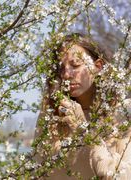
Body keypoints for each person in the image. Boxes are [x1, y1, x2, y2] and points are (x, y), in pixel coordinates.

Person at [35, 33, 131, 179]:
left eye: (75, 65)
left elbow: (120, 176)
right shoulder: (52, 114)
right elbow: (40, 173)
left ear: (98, 66)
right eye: (61, 68)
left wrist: (84, 131)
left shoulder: (123, 113)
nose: (66, 74)